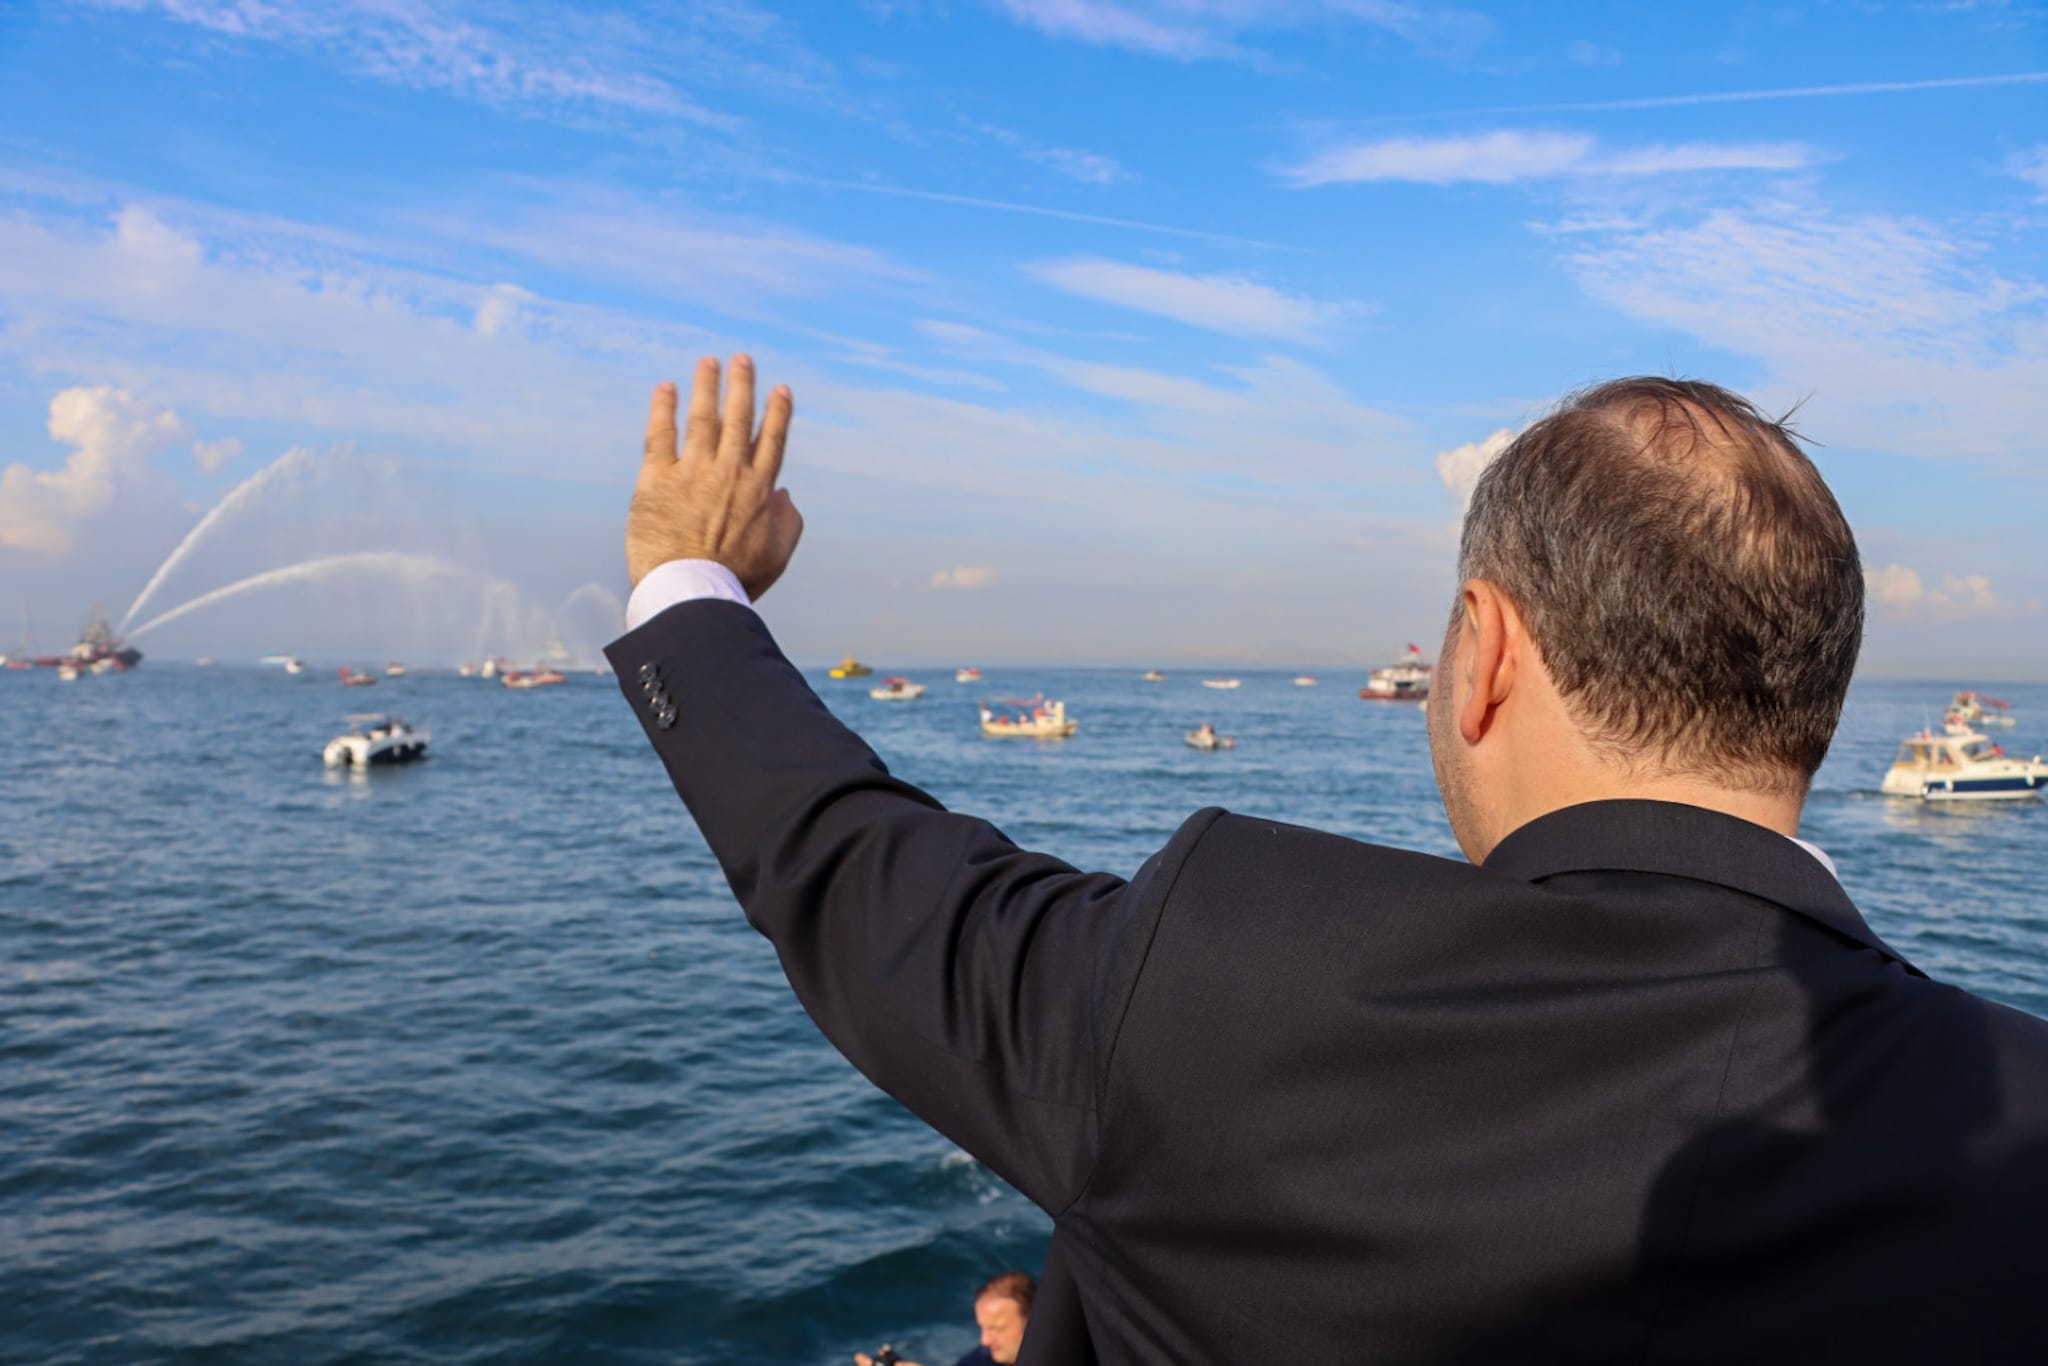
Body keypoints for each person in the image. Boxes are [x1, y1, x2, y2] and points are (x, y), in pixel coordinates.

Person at [608, 356, 2048, 1362]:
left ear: (1483, 652)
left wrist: (688, 581)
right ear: (1812, 699)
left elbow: (861, 873)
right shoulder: (2015, 1126)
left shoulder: (1225, 986)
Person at [853, 1271, 1035, 1366]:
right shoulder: (985, 1357)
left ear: (1032, 1322)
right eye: (983, 1328)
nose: (985, 1340)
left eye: (997, 1329)